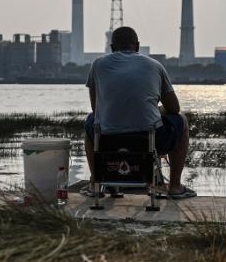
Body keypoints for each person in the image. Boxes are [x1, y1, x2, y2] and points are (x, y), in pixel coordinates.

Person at [83, 26, 195, 199]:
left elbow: (96, 108)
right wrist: (157, 111)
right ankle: (174, 186)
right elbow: (174, 108)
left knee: (90, 121)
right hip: (150, 141)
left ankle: (95, 183)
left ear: (112, 47)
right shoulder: (155, 65)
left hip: (107, 141)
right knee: (182, 120)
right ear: (137, 46)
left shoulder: (98, 65)